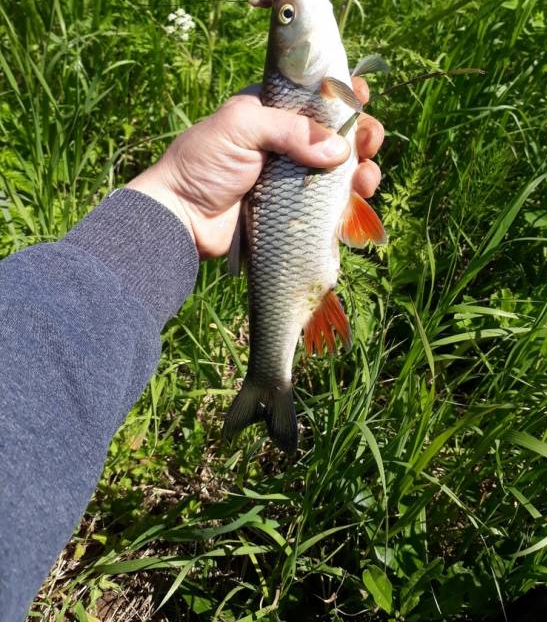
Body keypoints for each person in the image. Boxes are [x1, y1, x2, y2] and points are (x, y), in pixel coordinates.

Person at [0, 78, 384, 620]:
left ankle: (267, 381)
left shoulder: (322, 87)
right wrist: (180, 199)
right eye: (287, 14)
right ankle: (268, 382)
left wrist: (179, 198)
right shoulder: (321, 84)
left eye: (287, 13)